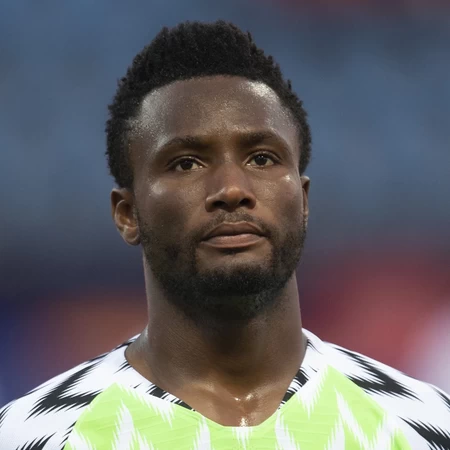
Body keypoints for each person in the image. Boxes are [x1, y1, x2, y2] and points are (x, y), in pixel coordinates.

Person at [0, 20, 449, 450]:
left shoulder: (425, 429)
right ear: (127, 214)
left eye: (262, 158)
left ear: (303, 199)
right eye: (186, 163)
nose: (232, 189)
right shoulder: (33, 436)